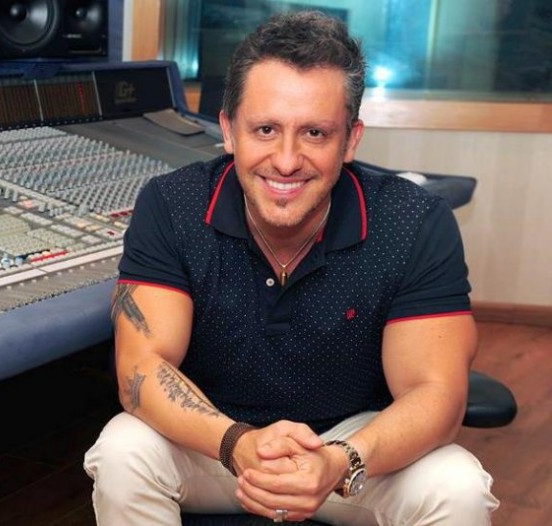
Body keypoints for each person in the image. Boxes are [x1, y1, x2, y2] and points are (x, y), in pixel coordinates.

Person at [84, 10, 498, 526]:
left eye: (315, 133)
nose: (285, 160)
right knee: (123, 450)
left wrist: (341, 460)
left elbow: (436, 392)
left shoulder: (413, 220)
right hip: (217, 443)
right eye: (265, 129)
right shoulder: (173, 204)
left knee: (457, 486)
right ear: (228, 130)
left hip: (352, 453)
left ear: (350, 140)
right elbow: (142, 367)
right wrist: (236, 443)